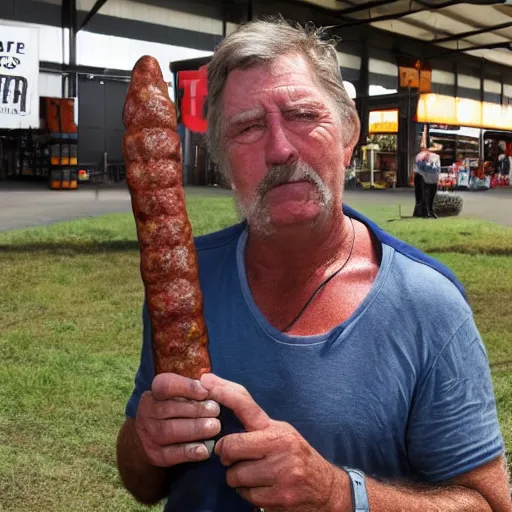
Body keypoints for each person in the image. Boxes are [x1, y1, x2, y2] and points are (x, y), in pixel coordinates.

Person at [116, 18, 511, 512]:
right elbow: (142, 484)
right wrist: (146, 442)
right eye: (249, 127)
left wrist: (338, 495)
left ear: (349, 137)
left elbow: (489, 505)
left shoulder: (428, 307)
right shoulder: (183, 282)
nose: (280, 149)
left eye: (303, 115)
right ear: (221, 160)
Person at [413, 144, 440, 219]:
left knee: (429, 195)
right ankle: (423, 212)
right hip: (424, 178)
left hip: (432, 178)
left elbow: (437, 168)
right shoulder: (420, 156)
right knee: (422, 196)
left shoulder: (436, 157)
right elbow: (420, 166)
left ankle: (429, 211)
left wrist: (429, 166)